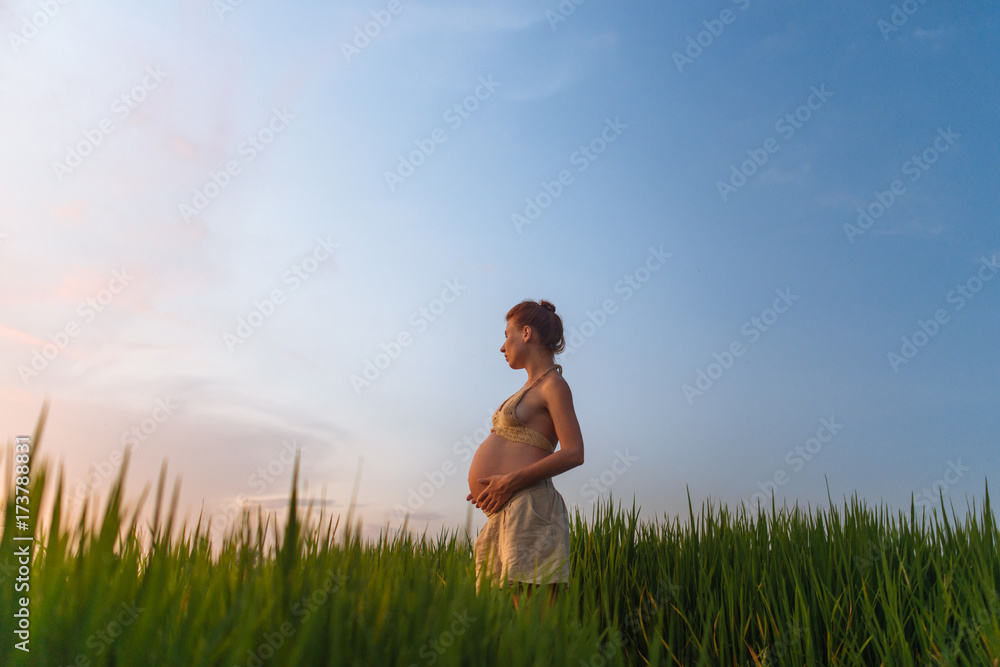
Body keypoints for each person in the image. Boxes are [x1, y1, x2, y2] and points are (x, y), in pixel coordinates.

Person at [466, 299, 585, 608]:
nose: (502, 346)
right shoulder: (529, 388)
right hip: (503, 511)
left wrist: (510, 480)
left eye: (508, 335)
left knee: (535, 624)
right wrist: (491, 485)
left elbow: (574, 452)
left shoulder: (554, 385)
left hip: (530, 506)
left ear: (527, 333)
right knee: (500, 624)